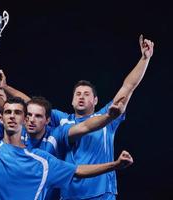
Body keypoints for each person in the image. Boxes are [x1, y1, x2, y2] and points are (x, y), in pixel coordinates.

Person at [0, 68, 134, 200]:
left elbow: (79, 167)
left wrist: (115, 164)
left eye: (18, 113)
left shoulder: (42, 158)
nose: (12, 116)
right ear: (2, 117)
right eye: (7, 112)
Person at [49, 35, 154, 199]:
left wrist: (144, 59)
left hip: (102, 194)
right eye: (77, 94)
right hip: (69, 195)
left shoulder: (108, 115)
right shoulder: (61, 119)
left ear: (95, 100)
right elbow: (32, 106)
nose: (81, 97)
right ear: (72, 100)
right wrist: (4, 88)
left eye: (86, 94)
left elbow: (128, 86)